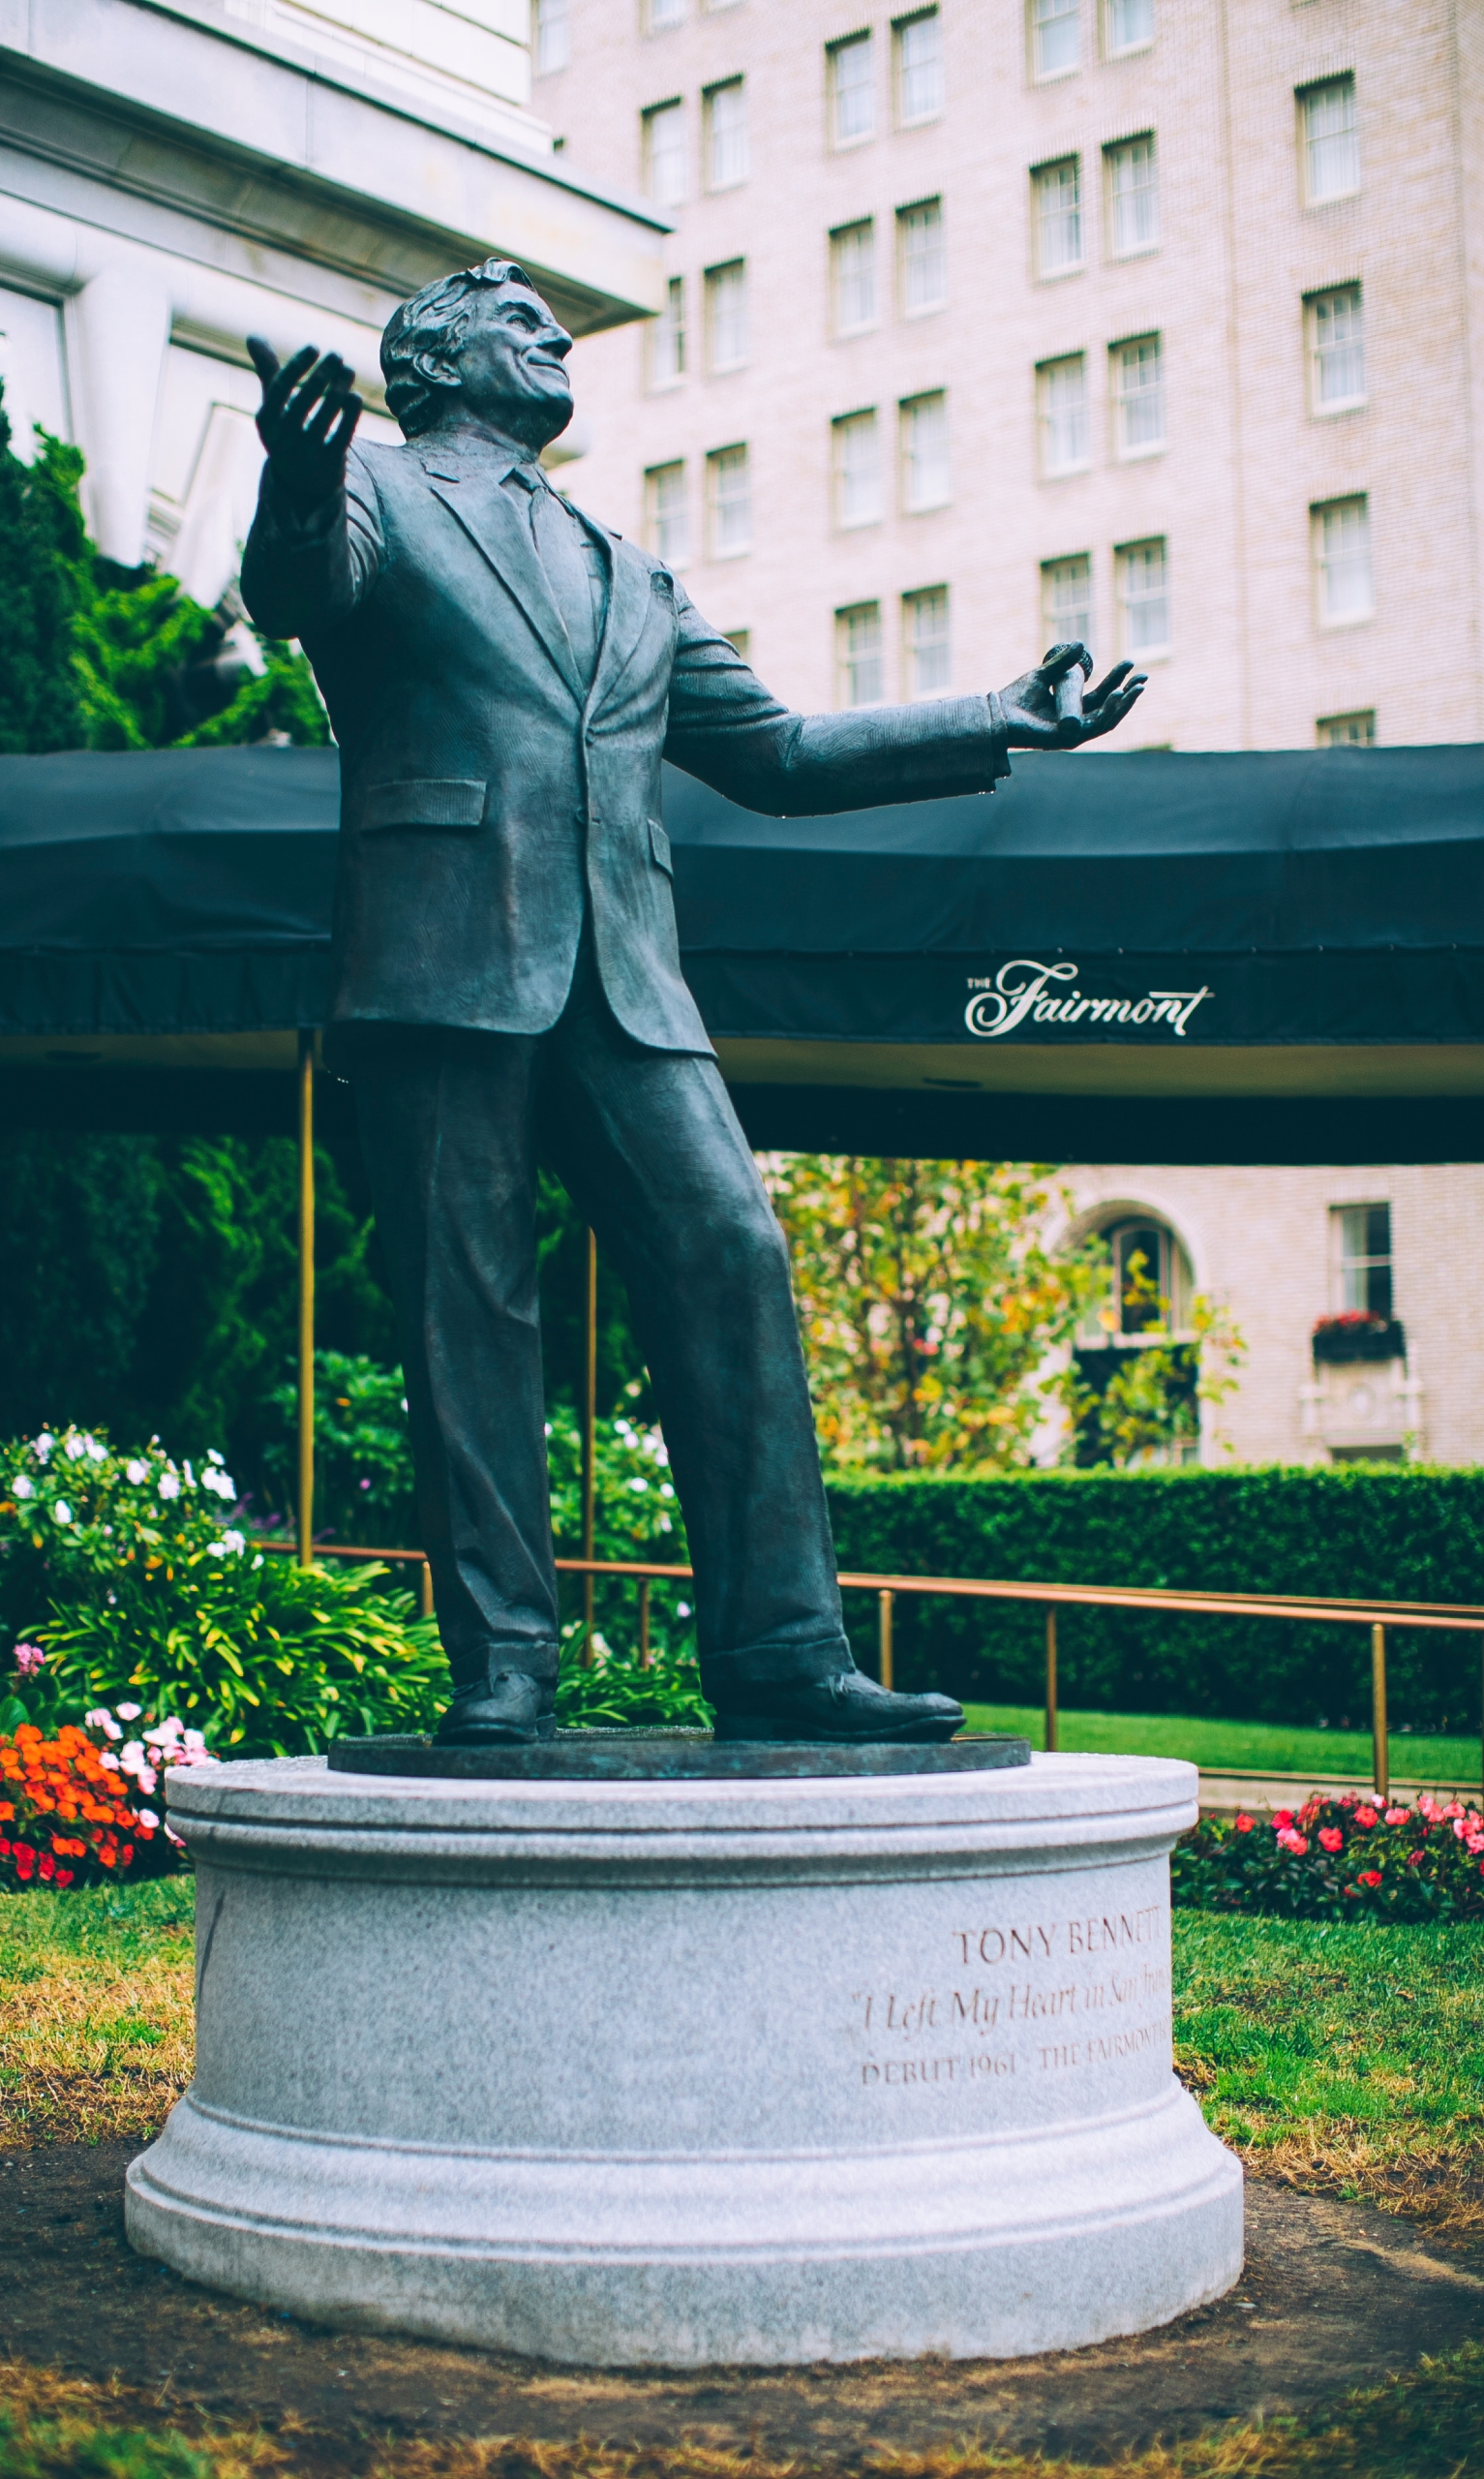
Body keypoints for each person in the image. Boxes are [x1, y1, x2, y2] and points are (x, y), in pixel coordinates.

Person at [241, 259, 1146, 1748]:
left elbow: (778, 753)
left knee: (731, 1249)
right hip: (444, 965)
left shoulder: (627, 567)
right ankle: (505, 1662)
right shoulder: (378, 492)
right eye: (521, 323)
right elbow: (299, 587)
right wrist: (296, 467)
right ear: (440, 361)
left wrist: (996, 718)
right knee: (469, 1311)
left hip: (629, 984)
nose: (554, 339)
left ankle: (784, 1651)